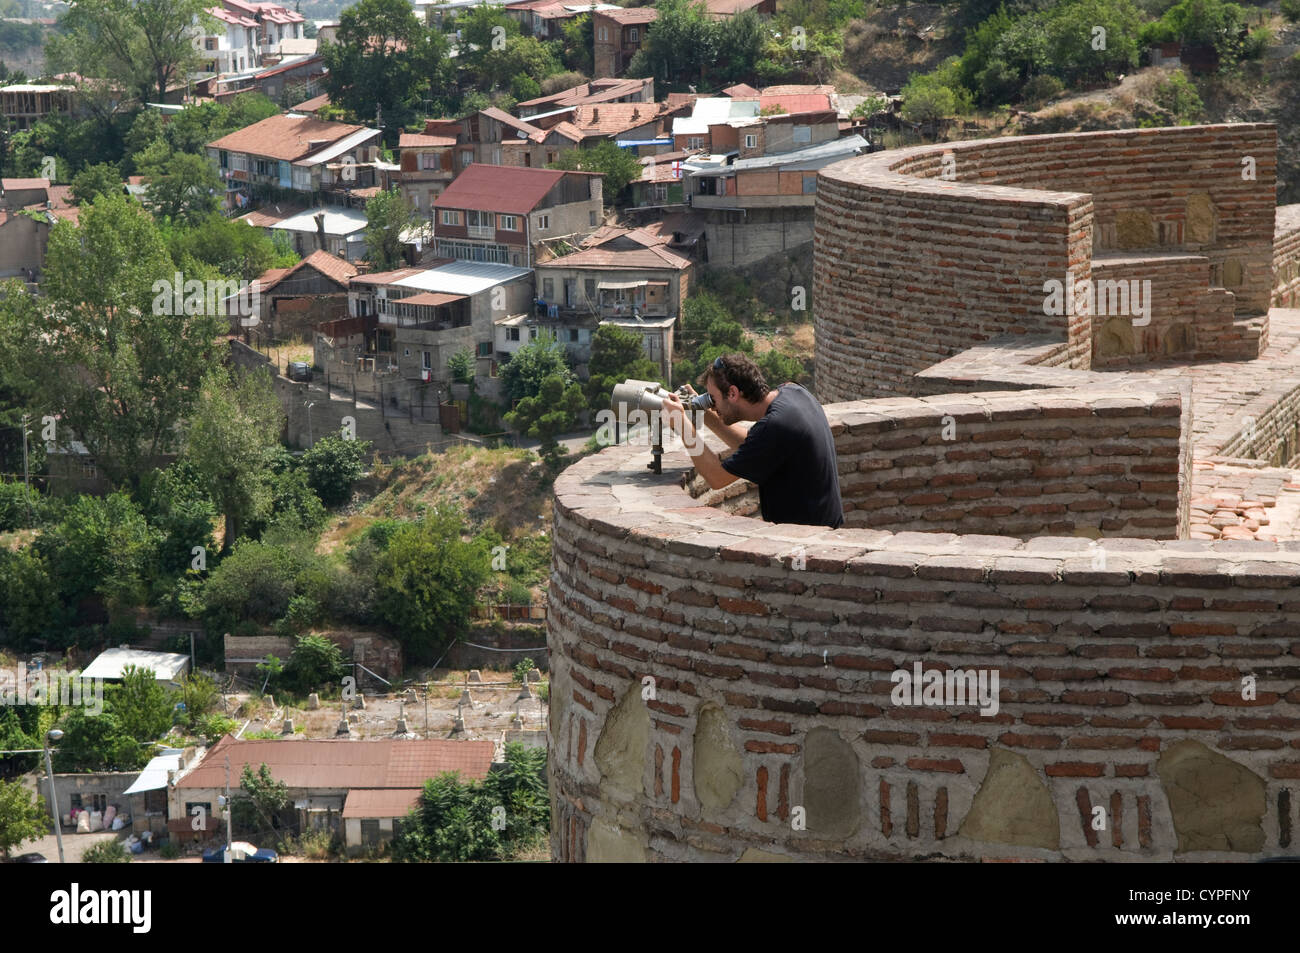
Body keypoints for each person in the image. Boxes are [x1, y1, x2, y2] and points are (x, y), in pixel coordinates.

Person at [661, 353, 844, 529]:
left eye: (713, 399)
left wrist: (682, 424)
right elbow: (754, 445)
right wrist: (703, 411)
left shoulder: (774, 425)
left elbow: (717, 478)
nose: (711, 403)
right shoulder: (794, 391)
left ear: (732, 393)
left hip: (804, 538)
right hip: (823, 526)